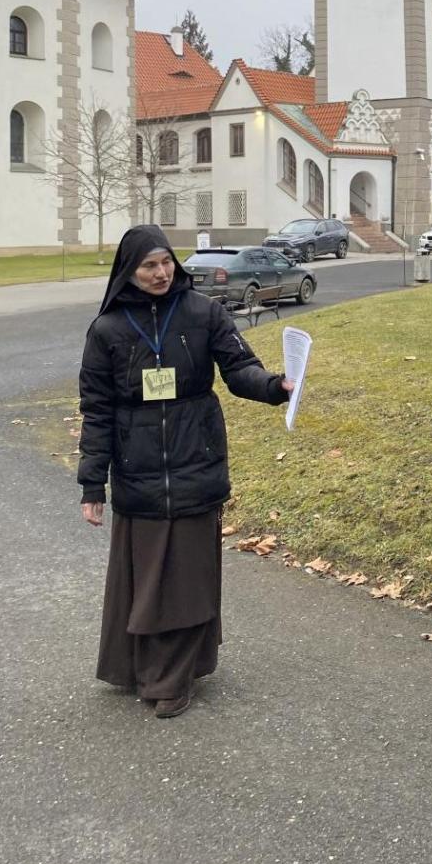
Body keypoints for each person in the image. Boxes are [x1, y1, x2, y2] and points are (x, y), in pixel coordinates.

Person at [78, 225, 292, 718]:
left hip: (197, 457)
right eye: (148, 266)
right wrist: (92, 484)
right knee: (148, 580)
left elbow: (239, 369)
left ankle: (171, 679)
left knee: (188, 578)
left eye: (166, 263)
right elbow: (97, 411)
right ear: (129, 271)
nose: (160, 273)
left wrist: (275, 386)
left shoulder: (203, 312)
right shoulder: (107, 330)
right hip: (138, 467)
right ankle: (142, 667)